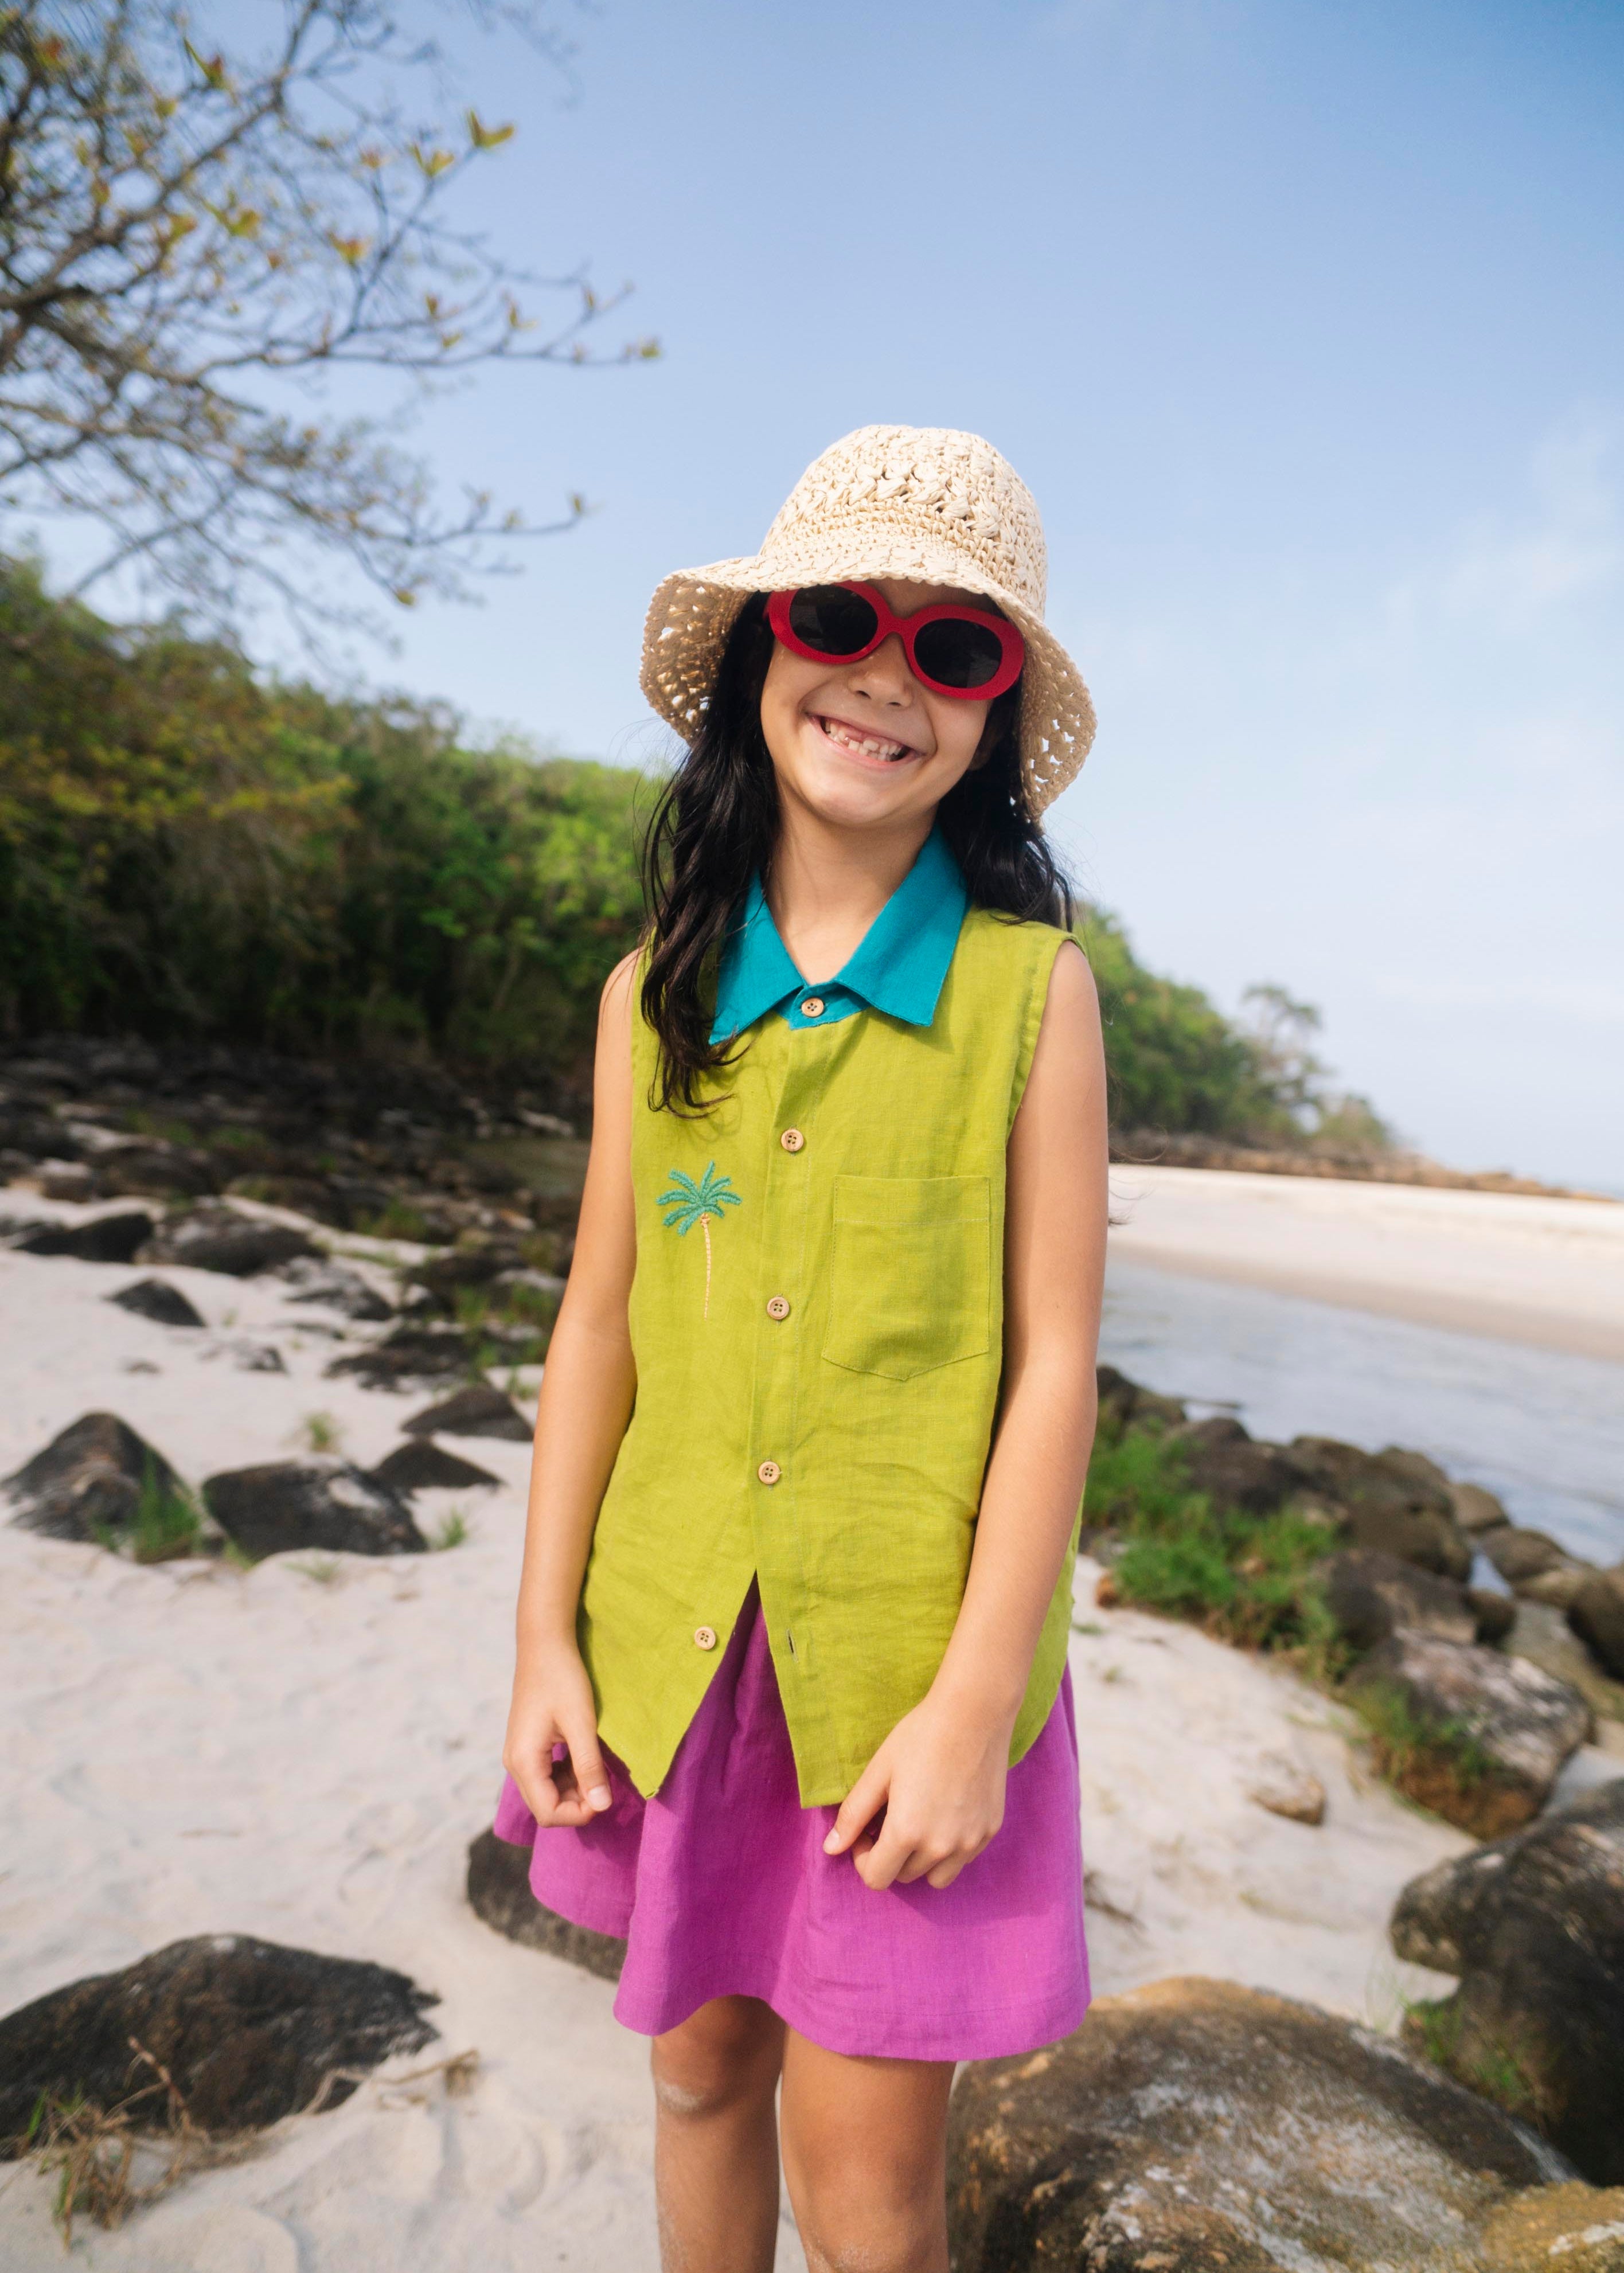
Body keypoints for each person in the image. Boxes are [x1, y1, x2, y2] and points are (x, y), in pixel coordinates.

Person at [496, 424, 1108, 2273]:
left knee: (868, 2199)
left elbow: (1055, 1368)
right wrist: (541, 1642)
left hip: (902, 1675)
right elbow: (597, 1323)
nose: (886, 678)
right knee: (695, 2079)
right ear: (764, 647)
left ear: (995, 716)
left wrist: (975, 1709)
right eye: (842, 617)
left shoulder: (1032, 993)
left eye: (955, 647)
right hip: (675, 1646)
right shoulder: (651, 994)